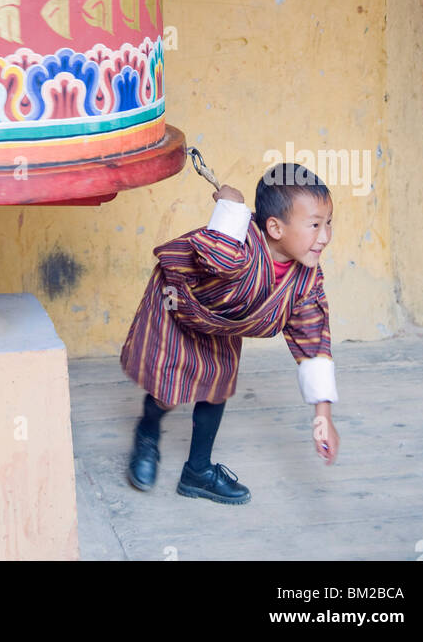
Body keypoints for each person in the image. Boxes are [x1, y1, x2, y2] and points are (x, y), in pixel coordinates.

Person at [120, 160, 339, 504]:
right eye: (314, 225)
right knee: (168, 389)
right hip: (179, 306)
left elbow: (313, 336)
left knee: (216, 387)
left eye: (328, 224)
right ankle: (147, 434)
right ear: (275, 228)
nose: (324, 237)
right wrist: (232, 206)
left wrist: (322, 416)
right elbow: (217, 260)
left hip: (221, 323)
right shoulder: (238, 244)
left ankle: (198, 471)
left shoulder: (306, 279)